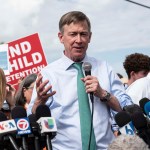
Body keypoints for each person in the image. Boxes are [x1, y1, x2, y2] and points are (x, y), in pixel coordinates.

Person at [27, 11, 133, 149]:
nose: (79, 40)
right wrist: (39, 102)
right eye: (73, 34)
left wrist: (104, 94)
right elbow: (31, 119)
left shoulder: (105, 68)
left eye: (83, 34)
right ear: (61, 37)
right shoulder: (48, 74)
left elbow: (125, 109)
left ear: (90, 37)